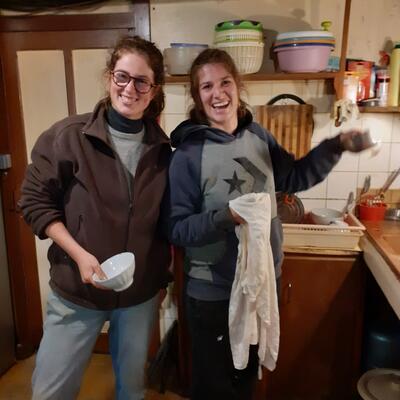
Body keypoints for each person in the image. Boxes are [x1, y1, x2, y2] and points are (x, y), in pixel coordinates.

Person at [163, 48, 374, 400]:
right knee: (214, 388)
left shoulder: (259, 137)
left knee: (247, 379)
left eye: (225, 82)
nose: (218, 93)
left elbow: (294, 177)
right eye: (207, 86)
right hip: (214, 292)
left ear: (238, 86)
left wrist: (336, 146)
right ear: (197, 97)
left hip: (262, 284)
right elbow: (177, 228)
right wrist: (226, 216)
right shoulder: (187, 155)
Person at [18, 35, 171, 400]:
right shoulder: (68, 137)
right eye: (122, 77)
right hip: (77, 291)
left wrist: (164, 277)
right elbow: (34, 201)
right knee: (51, 392)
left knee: (132, 391)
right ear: (109, 77)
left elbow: (164, 222)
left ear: (153, 90)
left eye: (141, 81)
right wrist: (80, 255)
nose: (129, 89)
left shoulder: (163, 150)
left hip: (138, 296)